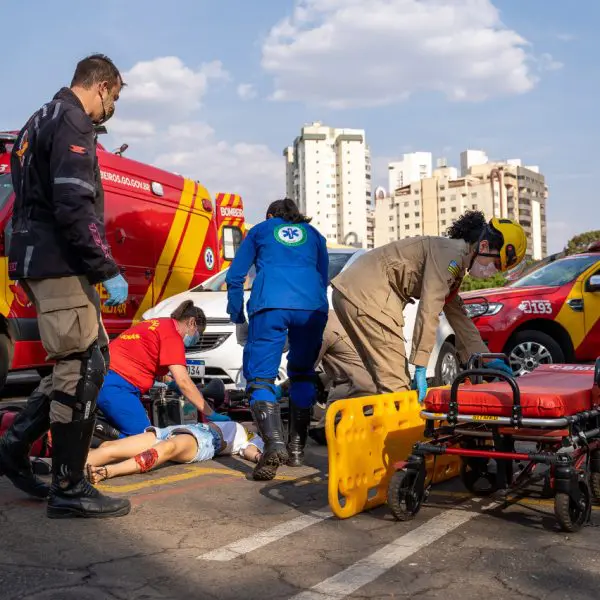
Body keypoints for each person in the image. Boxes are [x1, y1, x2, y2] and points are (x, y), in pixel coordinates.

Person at [0, 54, 131, 519]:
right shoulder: (74, 121)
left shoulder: (39, 119)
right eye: (114, 98)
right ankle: (69, 488)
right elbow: (74, 203)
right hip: (59, 260)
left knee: (81, 359)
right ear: (102, 87)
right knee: (80, 365)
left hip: (40, 257)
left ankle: (15, 446)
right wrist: (104, 266)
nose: (110, 108)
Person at [331, 212, 527, 401]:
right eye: (496, 264)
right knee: (396, 386)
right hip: (368, 293)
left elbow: (458, 315)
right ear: (483, 245)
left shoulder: (455, 262)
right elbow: (429, 307)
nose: (493, 272)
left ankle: (362, 431)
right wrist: (421, 364)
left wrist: (485, 357)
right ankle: (401, 434)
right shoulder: (451, 256)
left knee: (376, 380)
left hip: (353, 292)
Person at [226, 198, 329, 480]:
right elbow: (323, 276)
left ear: (271, 215)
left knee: (261, 378)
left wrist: (237, 315)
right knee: (303, 373)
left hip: (270, 305)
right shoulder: (315, 235)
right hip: (311, 307)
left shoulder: (260, 230)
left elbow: (235, 277)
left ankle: (274, 444)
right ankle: (296, 450)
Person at [97, 300, 231, 437]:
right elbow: (184, 382)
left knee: (136, 437)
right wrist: (210, 412)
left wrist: (169, 381)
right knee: (144, 439)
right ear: (192, 323)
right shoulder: (173, 336)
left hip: (106, 378)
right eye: (198, 333)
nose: (196, 338)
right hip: (116, 386)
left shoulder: (159, 324)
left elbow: (144, 357)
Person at [85, 420, 265, 483]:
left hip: (204, 440)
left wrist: (259, 457)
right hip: (174, 429)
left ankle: (106, 472)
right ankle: (65, 467)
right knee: (109, 447)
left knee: (166, 449)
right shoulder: (235, 421)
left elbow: (250, 451)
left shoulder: (255, 436)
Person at [309, 310, 377, 445]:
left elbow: (303, 368)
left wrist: (281, 388)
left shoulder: (320, 329)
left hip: (358, 386)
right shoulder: (337, 315)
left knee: (322, 433)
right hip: (374, 379)